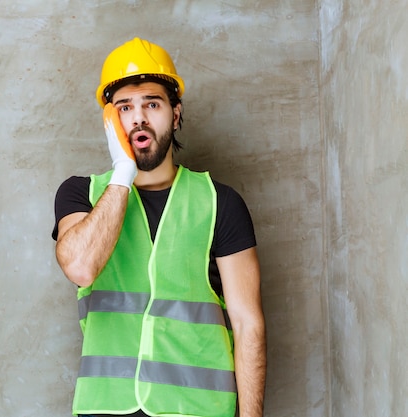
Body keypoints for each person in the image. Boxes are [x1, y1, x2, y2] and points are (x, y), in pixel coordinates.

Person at [52, 37, 266, 417]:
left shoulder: (221, 202)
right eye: (124, 108)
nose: (138, 118)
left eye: (152, 104)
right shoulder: (81, 194)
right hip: (107, 407)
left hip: (200, 409)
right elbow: (81, 266)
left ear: (176, 113)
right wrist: (123, 172)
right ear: (110, 121)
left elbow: (248, 324)